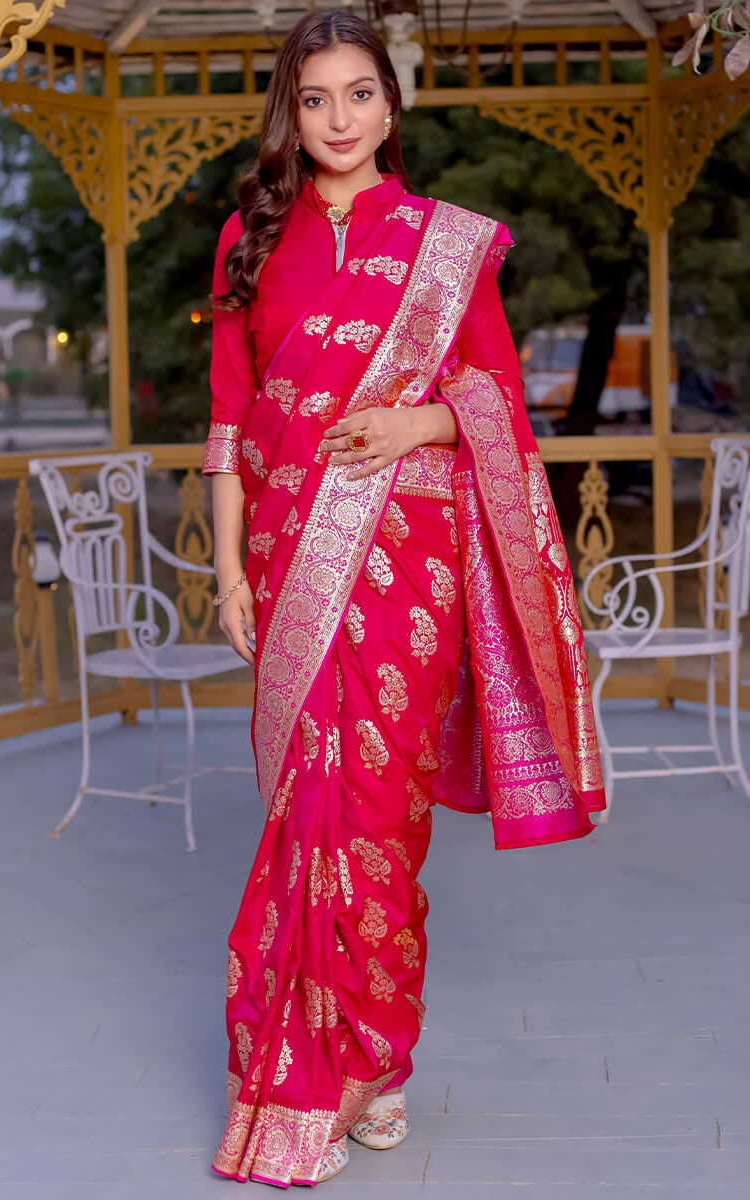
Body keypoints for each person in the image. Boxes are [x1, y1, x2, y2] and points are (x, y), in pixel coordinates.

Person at [204, 9, 605, 1187]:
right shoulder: (248, 236)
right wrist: (226, 571)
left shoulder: (447, 243)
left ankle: (371, 1061)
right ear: (292, 108)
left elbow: (497, 407)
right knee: (303, 817)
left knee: (377, 821)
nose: (338, 120)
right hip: (288, 564)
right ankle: (300, 1081)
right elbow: (227, 425)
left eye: (359, 95)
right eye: (315, 98)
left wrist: (415, 417)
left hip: (405, 570)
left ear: (392, 102)